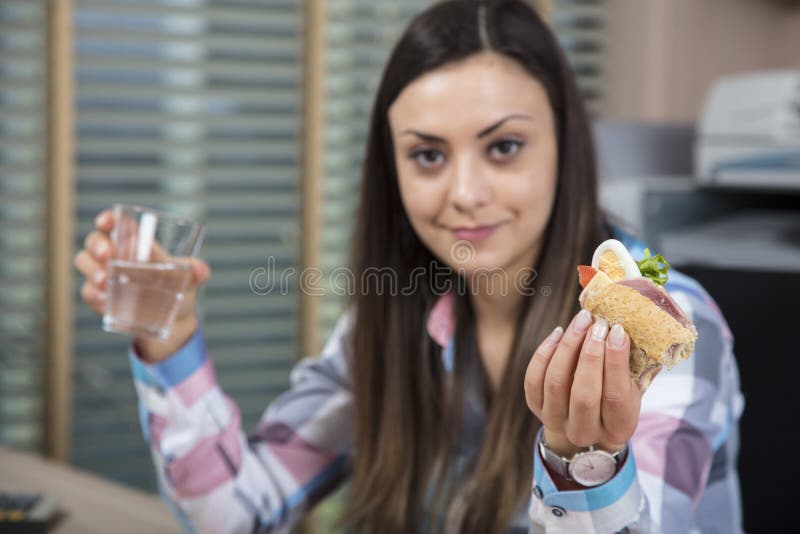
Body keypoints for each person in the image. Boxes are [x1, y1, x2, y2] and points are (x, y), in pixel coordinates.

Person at [73, 1, 743, 532]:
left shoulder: (667, 330)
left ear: (566, 148)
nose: (463, 192)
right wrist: (169, 337)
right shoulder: (395, 318)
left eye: (504, 147)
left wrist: (583, 465)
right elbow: (236, 514)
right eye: (427, 155)